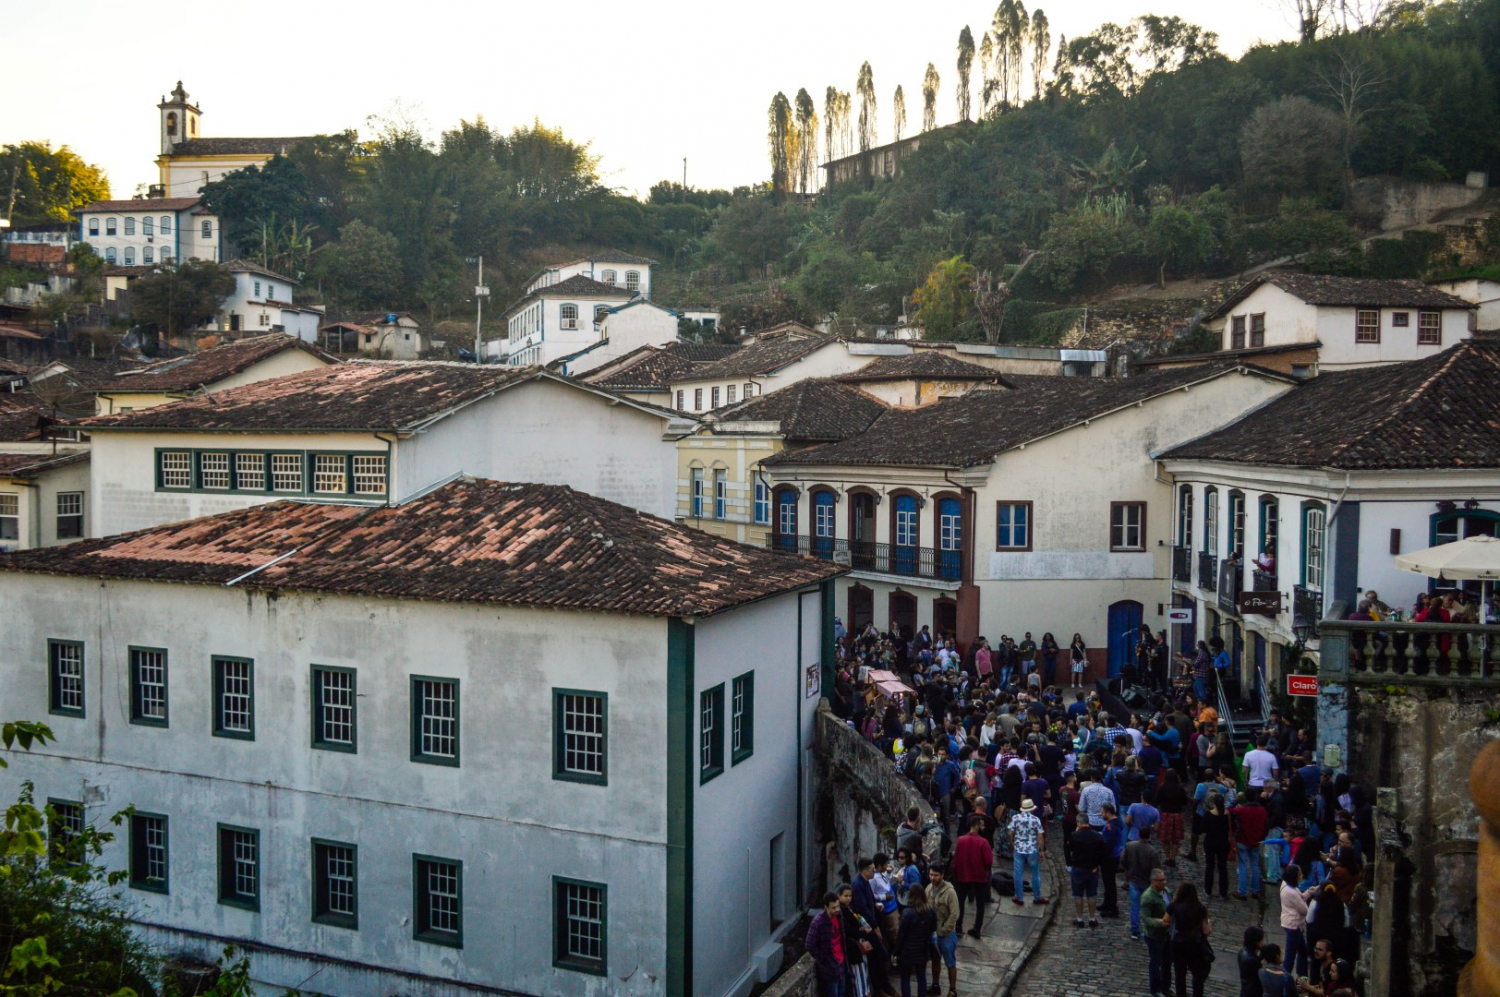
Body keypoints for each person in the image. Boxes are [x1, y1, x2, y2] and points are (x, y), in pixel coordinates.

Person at [1169, 882, 1215, 997]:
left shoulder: (1174, 906)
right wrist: (1209, 922)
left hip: (1178, 944)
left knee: (1180, 974)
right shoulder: (1200, 908)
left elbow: (1165, 920)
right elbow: (1206, 931)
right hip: (1195, 945)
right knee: (1197, 975)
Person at [951, 818, 994, 937]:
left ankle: (958, 926)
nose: (984, 828)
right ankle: (977, 928)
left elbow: (956, 859)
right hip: (979, 876)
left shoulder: (961, 840)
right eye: (982, 826)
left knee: (960, 901)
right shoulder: (983, 842)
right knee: (980, 903)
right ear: (976, 826)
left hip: (963, 875)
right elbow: (988, 861)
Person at [1122, 825, 1164, 940]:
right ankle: (1149, 929)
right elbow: (1156, 869)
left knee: (1135, 906)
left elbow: (1123, 860)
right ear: (1149, 835)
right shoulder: (1152, 851)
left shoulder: (1130, 846)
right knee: (1149, 907)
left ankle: (1135, 931)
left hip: (1134, 880)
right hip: (1147, 882)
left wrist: (1128, 872)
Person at [895, 884, 936, 997]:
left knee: (905, 978)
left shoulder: (907, 913)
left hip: (907, 951)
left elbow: (901, 935)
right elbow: (933, 928)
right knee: (921, 977)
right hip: (922, 949)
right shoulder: (929, 911)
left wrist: (895, 953)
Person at [837, 883, 876, 997]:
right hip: (853, 948)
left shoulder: (850, 908)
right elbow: (848, 931)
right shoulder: (842, 912)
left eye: (850, 896)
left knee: (863, 973)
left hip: (859, 946)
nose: (848, 898)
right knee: (858, 977)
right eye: (845, 896)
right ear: (839, 896)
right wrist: (863, 931)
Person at [807, 891, 848, 997]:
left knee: (842, 992)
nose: (837, 910)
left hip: (841, 961)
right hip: (829, 967)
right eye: (833, 908)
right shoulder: (818, 922)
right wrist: (824, 960)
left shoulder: (839, 915)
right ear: (826, 907)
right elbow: (809, 945)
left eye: (838, 906)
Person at [927, 864, 960, 997]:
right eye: (931, 874)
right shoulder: (929, 889)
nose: (932, 878)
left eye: (935, 875)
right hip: (933, 933)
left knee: (950, 962)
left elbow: (954, 914)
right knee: (935, 960)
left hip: (946, 934)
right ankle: (935, 985)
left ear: (942, 875)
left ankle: (952, 989)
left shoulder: (950, 892)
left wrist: (944, 929)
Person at [1008, 798, 1047, 906]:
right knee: (1035, 874)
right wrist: (1041, 850)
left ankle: (1019, 897)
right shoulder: (1035, 819)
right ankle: (1037, 897)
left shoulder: (1015, 818)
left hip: (1019, 849)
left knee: (1018, 874)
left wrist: (1012, 843)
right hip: (1032, 849)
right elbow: (1040, 836)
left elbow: (1010, 832)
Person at [1069, 813, 1106, 929]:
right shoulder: (1097, 836)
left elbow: (1069, 850)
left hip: (1078, 868)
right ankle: (1092, 918)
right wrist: (1097, 865)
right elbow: (1102, 854)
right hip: (1092, 869)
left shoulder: (1074, 835)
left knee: (1078, 894)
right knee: (1092, 894)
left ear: (1079, 823)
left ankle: (1079, 918)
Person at [1141, 867, 1173, 996]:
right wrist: (1161, 923)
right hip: (1154, 936)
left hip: (1168, 935)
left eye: (1164, 879)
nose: (1164, 883)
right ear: (1153, 881)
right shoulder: (1147, 897)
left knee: (1167, 962)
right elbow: (1146, 919)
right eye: (1161, 880)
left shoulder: (1167, 892)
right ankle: (1155, 989)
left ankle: (1166, 986)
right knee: (1155, 963)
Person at [1232, 791, 1269, 900]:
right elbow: (1266, 826)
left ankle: (1242, 892)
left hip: (1243, 840)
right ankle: (1255, 890)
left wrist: (1237, 799)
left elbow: (1229, 810)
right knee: (1254, 866)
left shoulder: (1241, 810)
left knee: (1243, 866)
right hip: (1256, 841)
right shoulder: (1262, 810)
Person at [1280, 864, 1312, 977]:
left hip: (1290, 923)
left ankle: (1300, 977)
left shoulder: (1286, 886)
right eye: (1300, 874)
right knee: (1290, 956)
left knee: (1302, 952)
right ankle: (1286, 980)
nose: (1301, 875)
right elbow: (1304, 910)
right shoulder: (1291, 891)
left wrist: (1309, 892)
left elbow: (1299, 898)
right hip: (1293, 925)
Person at [1202, 791, 1232, 900]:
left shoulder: (1208, 814)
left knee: (1210, 867)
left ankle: (1208, 890)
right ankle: (1223, 892)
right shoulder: (1227, 815)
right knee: (1222, 867)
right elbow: (1231, 828)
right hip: (1223, 843)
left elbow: (1204, 828)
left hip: (1210, 842)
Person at [1100, 801, 1126, 918]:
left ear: (1108, 813)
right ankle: (1107, 903)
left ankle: (1111, 908)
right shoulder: (1115, 824)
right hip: (1112, 857)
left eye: (1102, 812)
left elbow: (1108, 845)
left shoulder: (1111, 827)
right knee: (1107, 883)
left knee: (1110, 883)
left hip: (1109, 858)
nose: (1101, 815)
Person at [1239, 926, 1265, 997]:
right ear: (1256, 942)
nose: (1263, 942)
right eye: (1261, 940)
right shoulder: (1253, 960)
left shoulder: (1242, 952)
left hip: (1245, 990)